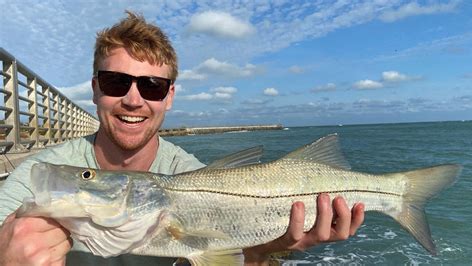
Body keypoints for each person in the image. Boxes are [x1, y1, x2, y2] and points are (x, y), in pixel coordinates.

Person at [0, 11, 365, 265]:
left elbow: (229, 260)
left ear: (169, 97)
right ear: (95, 89)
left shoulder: (190, 172)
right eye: (115, 82)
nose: (132, 99)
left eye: (152, 86)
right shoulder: (37, 178)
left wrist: (275, 249)